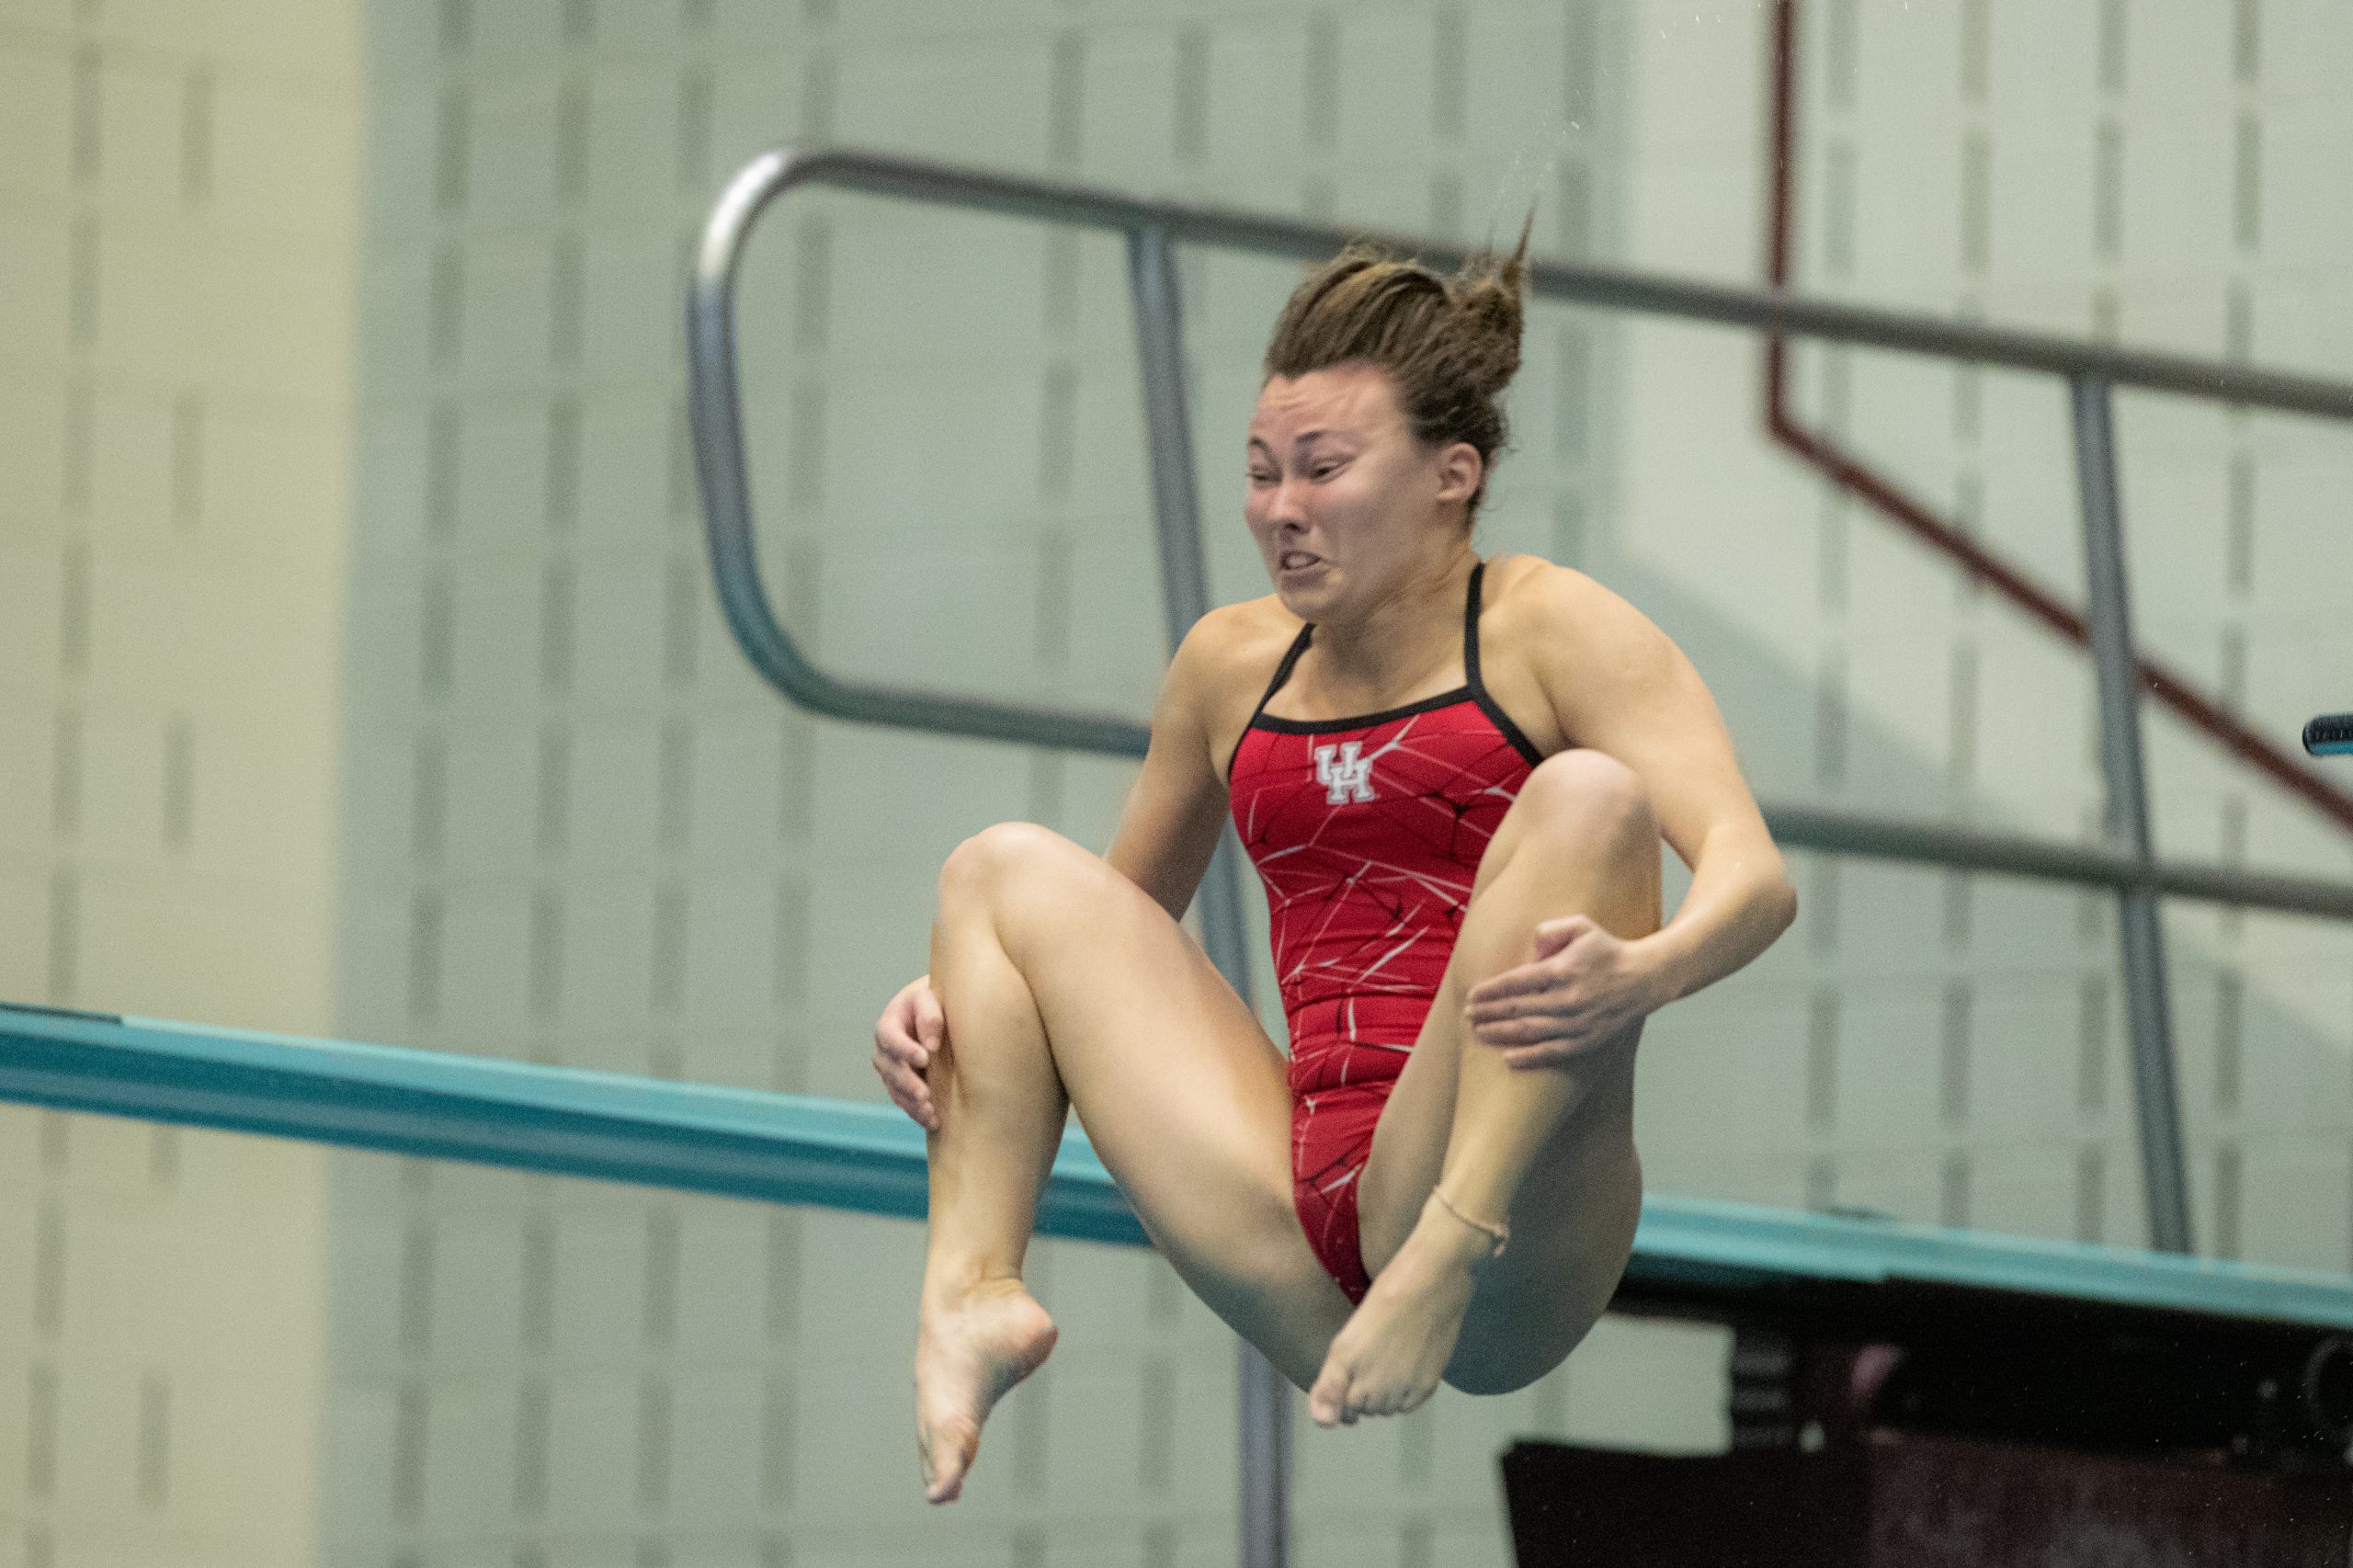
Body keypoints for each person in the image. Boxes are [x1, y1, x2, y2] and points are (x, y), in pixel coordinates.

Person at [870, 220, 1798, 1505]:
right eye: (1261, 471)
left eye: (1323, 468)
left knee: (1591, 799)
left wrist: (1641, 975)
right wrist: (967, 1006)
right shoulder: (1227, 665)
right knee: (997, 873)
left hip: (1514, 1228)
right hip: (1306, 1225)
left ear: (1450, 473)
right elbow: (1112, 929)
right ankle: (971, 1294)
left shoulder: (1553, 629)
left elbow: (1755, 878)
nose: (1280, 510)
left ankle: (1444, 1250)